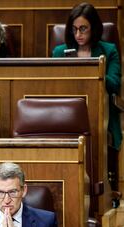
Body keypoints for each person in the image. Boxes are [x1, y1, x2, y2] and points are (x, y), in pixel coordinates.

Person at [52, 2, 122, 151]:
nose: (78, 35)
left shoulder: (109, 51)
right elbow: (54, 87)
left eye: (83, 29)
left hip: (101, 113)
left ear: (94, 28)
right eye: (74, 29)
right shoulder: (59, 52)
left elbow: (114, 84)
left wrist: (95, 70)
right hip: (67, 112)